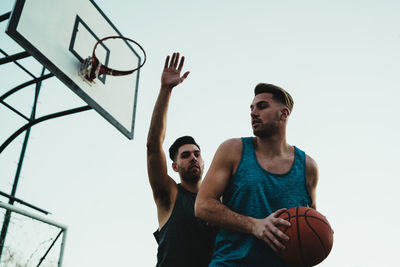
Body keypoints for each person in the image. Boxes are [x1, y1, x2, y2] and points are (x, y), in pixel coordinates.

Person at [195, 83, 319, 266]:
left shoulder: (308, 167)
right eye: (251, 108)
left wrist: (321, 237)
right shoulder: (233, 150)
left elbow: (310, 223)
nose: (253, 113)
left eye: (262, 106)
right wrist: (255, 225)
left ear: (284, 114)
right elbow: (202, 206)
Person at [146, 53, 216, 267]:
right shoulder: (169, 194)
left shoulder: (218, 201)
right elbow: (153, 145)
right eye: (185, 155)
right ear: (174, 166)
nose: (193, 158)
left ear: (204, 161)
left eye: (197, 154)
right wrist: (165, 90)